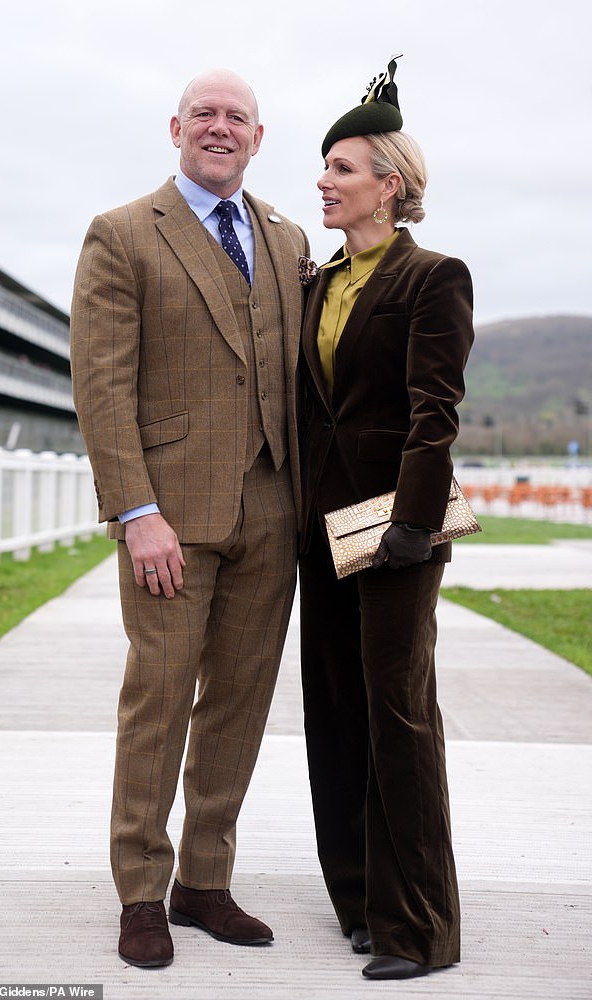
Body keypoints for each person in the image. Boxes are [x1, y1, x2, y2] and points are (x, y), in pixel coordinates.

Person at [70, 68, 309, 969]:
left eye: (236, 117)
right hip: (167, 515)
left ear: (258, 137)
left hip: (273, 507)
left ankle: (204, 882)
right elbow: (102, 385)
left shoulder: (286, 238)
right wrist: (135, 511)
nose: (220, 127)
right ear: (176, 127)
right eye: (204, 114)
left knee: (240, 704)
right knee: (160, 698)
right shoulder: (124, 233)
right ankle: (140, 889)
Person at [297, 58, 474, 981]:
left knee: (398, 716)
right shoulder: (318, 282)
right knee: (332, 713)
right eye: (321, 167)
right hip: (319, 531)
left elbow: (433, 410)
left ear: (388, 185)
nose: (323, 181)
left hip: (396, 534)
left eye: (341, 168)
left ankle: (420, 929)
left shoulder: (434, 277)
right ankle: (358, 900)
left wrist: (412, 525)